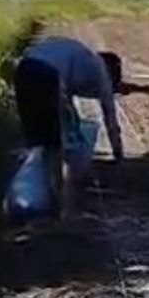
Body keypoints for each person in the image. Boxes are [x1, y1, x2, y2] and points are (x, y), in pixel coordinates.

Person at [13, 36, 125, 206]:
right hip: (47, 75)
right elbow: (110, 117)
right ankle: (61, 207)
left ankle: (26, 194)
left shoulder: (82, 58)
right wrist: (118, 155)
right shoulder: (101, 72)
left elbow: (67, 108)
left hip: (23, 69)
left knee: (33, 140)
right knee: (59, 149)